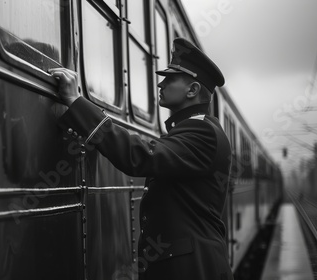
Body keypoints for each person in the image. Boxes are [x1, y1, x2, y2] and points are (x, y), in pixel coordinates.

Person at [50, 38, 233, 280]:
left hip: (191, 270)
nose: (161, 83)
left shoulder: (203, 132)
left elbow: (140, 156)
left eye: (170, 79)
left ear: (192, 90)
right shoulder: (193, 129)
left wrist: (77, 103)